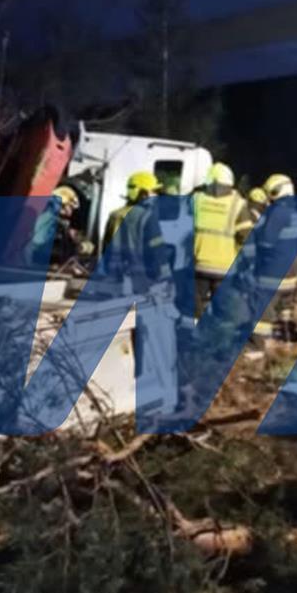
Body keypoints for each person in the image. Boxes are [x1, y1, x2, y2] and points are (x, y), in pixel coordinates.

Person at [102, 171, 179, 420]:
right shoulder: (148, 218)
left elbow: (106, 255)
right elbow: (157, 257)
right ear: (144, 193)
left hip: (116, 289)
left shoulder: (116, 216)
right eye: (154, 191)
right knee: (153, 343)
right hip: (146, 288)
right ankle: (157, 401)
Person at [192, 162, 253, 316]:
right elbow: (246, 238)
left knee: (195, 308)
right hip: (226, 268)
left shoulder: (196, 200)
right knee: (224, 310)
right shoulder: (238, 204)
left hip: (198, 265)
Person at [253, 173, 297, 339]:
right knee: (284, 308)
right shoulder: (293, 210)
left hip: (274, 270)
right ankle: (284, 337)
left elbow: (266, 242)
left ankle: (256, 348)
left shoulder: (278, 212)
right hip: (291, 270)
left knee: (263, 311)